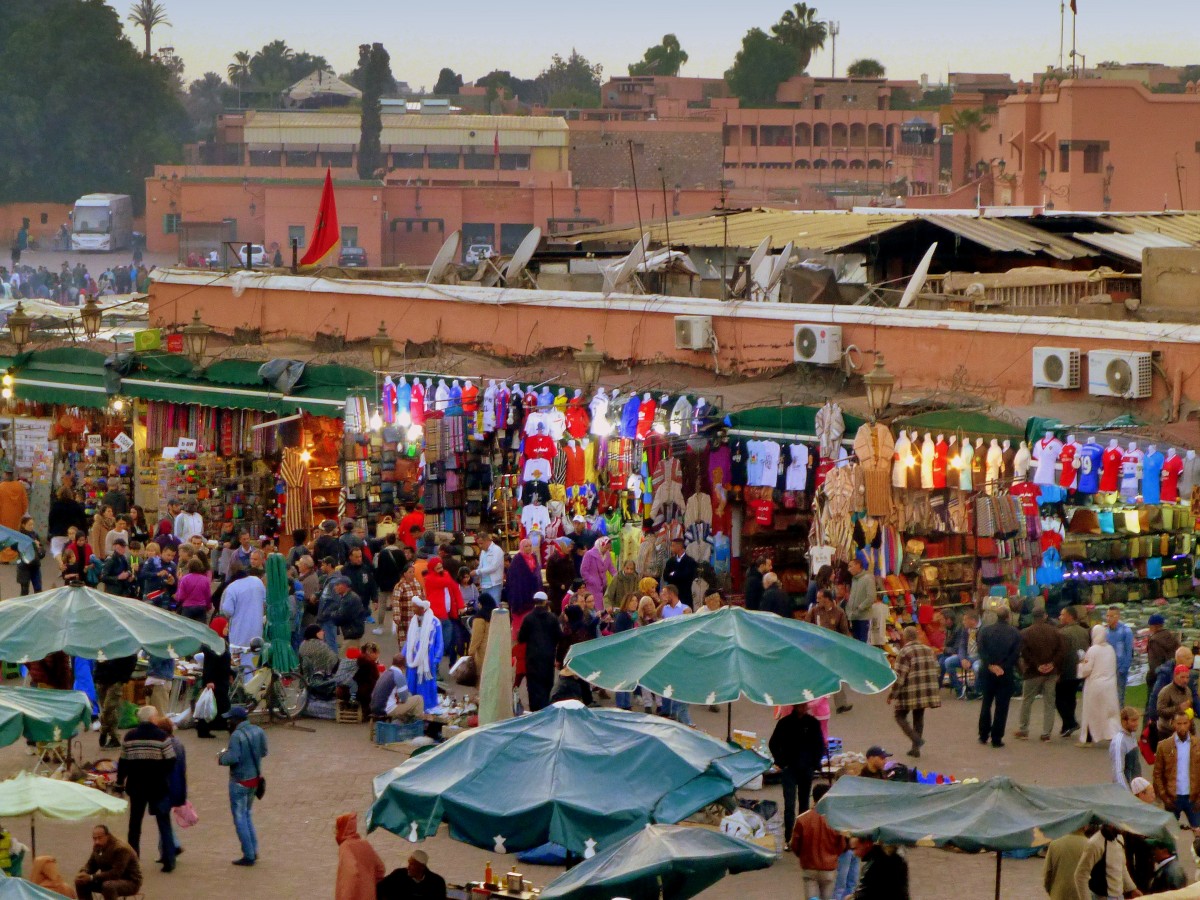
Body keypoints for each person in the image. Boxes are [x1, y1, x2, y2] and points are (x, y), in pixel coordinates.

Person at [116, 706, 176, 873]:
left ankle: (133, 861)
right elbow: (171, 760)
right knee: (163, 822)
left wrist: (120, 782)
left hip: (136, 786)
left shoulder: (129, 737)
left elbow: (123, 762)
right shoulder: (162, 737)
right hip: (158, 786)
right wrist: (161, 773)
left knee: (134, 825)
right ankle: (169, 861)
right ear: (152, 719)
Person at [218, 705, 268, 866]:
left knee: (240, 818)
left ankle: (248, 854)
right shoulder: (258, 731)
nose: (228, 722)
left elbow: (233, 758)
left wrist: (221, 757)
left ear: (236, 720)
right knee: (247, 815)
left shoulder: (236, 736)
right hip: (254, 778)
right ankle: (253, 849)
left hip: (239, 781)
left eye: (230, 719)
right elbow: (264, 751)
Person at [769, 703, 826, 841]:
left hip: (806, 769)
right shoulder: (785, 723)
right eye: (802, 705)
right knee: (789, 805)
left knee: (804, 804)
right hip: (789, 770)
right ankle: (789, 837)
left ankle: (802, 837)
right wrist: (781, 762)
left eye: (805, 705)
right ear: (796, 706)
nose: (804, 707)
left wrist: (815, 764)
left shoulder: (812, 723)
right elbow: (773, 743)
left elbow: (820, 745)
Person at [889, 625, 941, 758]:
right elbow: (936, 669)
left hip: (909, 691)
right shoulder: (928, 650)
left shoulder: (904, 652)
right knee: (918, 717)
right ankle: (915, 748)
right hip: (925, 690)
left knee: (899, 715)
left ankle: (915, 739)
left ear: (905, 637)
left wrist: (892, 694)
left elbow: (899, 677)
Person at [1015, 608, 1064, 742]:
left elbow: (1024, 653)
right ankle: (1046, 733)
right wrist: (1052, 664)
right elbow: (1061, 650)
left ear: (1032, 617)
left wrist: (1037, 665)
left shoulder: (1025, 633)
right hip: (1051, 672)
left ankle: (1024, 729)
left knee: (1027, 701)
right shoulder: (1055, 631)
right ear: (1045, 616)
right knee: (1049, 702)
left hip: (1032, 673)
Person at [790, 782, 845, 900]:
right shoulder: (835, 819)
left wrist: (803, 856)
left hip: (809, 867)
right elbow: (841, 845)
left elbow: (795, 845)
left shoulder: (802, 819)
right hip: (829, 868)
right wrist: (833, 855)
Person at [977, 606, 1021, 748]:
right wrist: (1003, 667)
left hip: (987, 671)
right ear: (1008, 617)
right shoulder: (1015, 633)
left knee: (986, 703)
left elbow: (981, 650)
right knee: (1002, 706)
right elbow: (1015, 654)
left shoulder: (985, 631)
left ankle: (983, 734)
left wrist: (990, 665)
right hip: (1005, 673)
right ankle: (997, 737)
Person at [1154, 709, 1200, 832]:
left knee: (1198, 831)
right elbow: (1157, 774)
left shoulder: (1198, 744)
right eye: (1179, 723)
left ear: (1189, 724)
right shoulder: (1163, 746)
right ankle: (1172, 852)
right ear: (1172, 724)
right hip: (1173, 797)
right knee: (1169, 834)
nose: (1182, 727)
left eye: (1185, 723)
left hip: (1193, 797)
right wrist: (1164, 796)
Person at [807, 589, 852, 712]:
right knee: (816, 676)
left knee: (836, 676)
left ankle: (841, 704)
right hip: (817, 649)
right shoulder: (815, 611)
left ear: (827, 599)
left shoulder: (839, 613)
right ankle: (809, 702)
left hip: (833, 650)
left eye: (819, 598)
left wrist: (846, 647)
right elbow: (806, 626)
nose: (817, 600)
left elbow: (844, 632)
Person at [517, 592, 562, 712]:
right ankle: (546, 709)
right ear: (545, 602)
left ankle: (535, 711)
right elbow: (559, 636)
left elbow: (521, 638)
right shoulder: (552, 618)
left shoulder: (528, 618)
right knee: (547, 684)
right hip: (548, 656)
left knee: (533, 686)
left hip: (532, 657)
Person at [1079, 624, 1121, 745]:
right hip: (1110, 684)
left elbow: (1087, 669)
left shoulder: (1093, 650)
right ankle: (1112, 733)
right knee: (1110, 711)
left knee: (1091, 711)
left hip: (1095, 685)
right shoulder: (1110, 649)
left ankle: (1089, 736)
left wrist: (1081, 665)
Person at [74, 825, 142, 900]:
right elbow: (91, 864)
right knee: (80, 882)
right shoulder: (98, 846)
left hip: (130, 882)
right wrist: (84, 872)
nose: (97, 841)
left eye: (100, 838)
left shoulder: (121, 849)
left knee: (108, 886)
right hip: (107, 880)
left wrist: (91, 877)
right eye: (94, 838)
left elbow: (116, 873)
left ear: (108, 836)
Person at [1073, 824, 1138, 900]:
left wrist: (1132, 889)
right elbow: (1080, 875)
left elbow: (1121, 867)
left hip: (1119, 896)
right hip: (1102, 897)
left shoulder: (1119, 838)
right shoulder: (1095, 843)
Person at [154, 715, 186, 866]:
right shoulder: (178, 744)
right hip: (176, 787)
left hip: (164, 788)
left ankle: (169, 852)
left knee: (163, 820)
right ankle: (167, 848)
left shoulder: (164, 746)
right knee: (164, 819)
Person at [1056, 605, 1090, 738]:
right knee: (1070, 697)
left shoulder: (1063, 633)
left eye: (1062, 614)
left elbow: (1061, 654)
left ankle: (1071, 722)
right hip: (1080, 670)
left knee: (1059, 698)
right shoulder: (1084, 631)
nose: (1060, 617)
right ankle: (1066, 726)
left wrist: (1058, 671)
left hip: (1066, 670)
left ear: (1070, 616)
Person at [334, 812, 384, 900]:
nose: (335, 832)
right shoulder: (365, 844)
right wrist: (370, 885)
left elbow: (352, 872)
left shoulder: (345, 846)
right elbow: (380, 868)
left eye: (337, 828)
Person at [405, 598, 443, 713]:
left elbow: (439, 642)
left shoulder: (435, 622)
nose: (412, 609)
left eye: (414, 607)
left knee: (426, 685)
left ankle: (427, 707)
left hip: (427, 661)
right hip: (412, 660)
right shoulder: (413, 621)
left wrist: (436, 658)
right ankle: (411, 707)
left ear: (422, 608)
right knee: (411, 682)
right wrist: (403, 655)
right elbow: (409, 641)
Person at [220, 563, 267, 657]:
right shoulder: (257, 581)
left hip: (239, 629)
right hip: (257, 627)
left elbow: (228, 610)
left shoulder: (232, 587)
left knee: (238, 656)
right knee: (255, 655)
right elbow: (264, 601)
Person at [197, 617, 233, 739]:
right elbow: (210, 666)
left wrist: (230, 673)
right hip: (216, 681)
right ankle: (228, 727)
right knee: (218, 705)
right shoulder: (213, 646)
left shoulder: (220, 642)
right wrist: (209, 681)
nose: (227, 630)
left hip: (221, 680)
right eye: (225, 627)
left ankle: (209, 728)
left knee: (215, 705)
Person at [376, 848, 448, 900]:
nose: (408, 867)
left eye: (412, 864)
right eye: (409, 863)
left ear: (422, 867)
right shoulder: (398, 875)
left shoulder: (437, 882)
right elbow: (378, 888)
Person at [370, 654, 425, 721]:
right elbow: (404, 698)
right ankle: (415, 725)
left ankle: (403, 720)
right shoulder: (398, 675)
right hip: (387, 709)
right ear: (403, 666)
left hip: (374, 707)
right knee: (418, 699)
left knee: (408, 697)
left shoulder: (385, 673)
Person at [1043, 828, 1091, 900]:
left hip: (1059, 894)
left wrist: (1052, 891)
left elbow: (1047, 874)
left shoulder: (1054, 844)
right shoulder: (1091, 845)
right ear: (1086, 826)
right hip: (1083, 895)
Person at [1157, 663, 1198, 745]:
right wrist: (1179, 708)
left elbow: (1190, 713)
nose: (1185, 680)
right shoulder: (1165, 692)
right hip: (1167, 732)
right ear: (1175, 676)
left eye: (1187, 677)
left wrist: (1193, 733)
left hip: (1185, 732)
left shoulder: (1188, 691)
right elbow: (1160, 711)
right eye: (1182, 677)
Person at [1103, 606, 1135, 706]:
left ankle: (1120, 717)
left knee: (1119, 696)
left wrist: (1124, 668)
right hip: (1107, 668)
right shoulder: (1105, 631)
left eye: (1111, 616)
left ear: (1117, 617)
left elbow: (1129, 651)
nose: (1108, 618)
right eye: (1107, 616)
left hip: (1120, 668)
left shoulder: (1126, 631)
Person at [580, 537, 616, 611]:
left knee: (603, 608)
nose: (607, 550)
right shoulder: (589, 554)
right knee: (594, 608)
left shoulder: (607, 554)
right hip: (592, 587)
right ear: (601, 545)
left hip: (603, 587)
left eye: (608, 548)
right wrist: (591, 580)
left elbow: (611, 567)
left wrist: (617, 576)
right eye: (606, 548)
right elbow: (583, 570)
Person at [1111, 706, 1143, 789]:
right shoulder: (1119, 742)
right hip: (1126, 791)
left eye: (1137, 720)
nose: (1136, 724)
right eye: (1133, 721)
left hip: (1135, 788)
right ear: (1124, 721)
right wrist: (1126, 793)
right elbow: (1118, 771)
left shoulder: (1132, 735)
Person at [845, 558, 875, 643]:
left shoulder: (868, 578)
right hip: (854, 616)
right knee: (856, 642)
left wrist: (860, 608)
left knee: (863, 642)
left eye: (851, 566)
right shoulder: (854, 579)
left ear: (858, 565)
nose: (849, 569)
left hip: (863, 617)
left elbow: (871, 597)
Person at [661, 538, 697, 607]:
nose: (671, 548)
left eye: (673, 546)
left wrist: (673, 574)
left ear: (679, 546)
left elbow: (687, 576)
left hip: (685, 595)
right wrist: (677, 574)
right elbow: (665, 576)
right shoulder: (670, 561)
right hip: (672, 596)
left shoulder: (690, 561)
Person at [176, 556, 212, 622]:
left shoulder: (185, 579)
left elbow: (181, 596)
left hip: (187, 607)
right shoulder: (205, 579)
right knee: (200, 628)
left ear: (189, 567)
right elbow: (208, 595)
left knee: (186, 627)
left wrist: (178, 602)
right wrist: (208, 606)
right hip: (201, 607)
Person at [1146, 613, 1181, 681]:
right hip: (1173, 673)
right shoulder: (1171, 636)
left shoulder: (1154, 641)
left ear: (1154, 626)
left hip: (1160, 675)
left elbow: (1154, 663)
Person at [467, 594, 495, 678]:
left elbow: (476, 637)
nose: (478, 605)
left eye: (479, 603)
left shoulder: (479, 617)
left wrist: (471, 652)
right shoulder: (496, 615)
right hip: (496, 650)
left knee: (483, 678)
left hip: (484, 651)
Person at [16, 515, 45, 595]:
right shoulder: (19, 536)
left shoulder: (35, 535)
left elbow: (42, 551)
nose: (31, 526)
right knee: (25, 590)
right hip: (24, 566)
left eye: (32, 524)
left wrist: (39, 549)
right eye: (29, 525)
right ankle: (24, 606)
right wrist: (32, 544)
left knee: (38, 589)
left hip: (35, 565)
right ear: (23, 525)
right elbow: (17, 548)